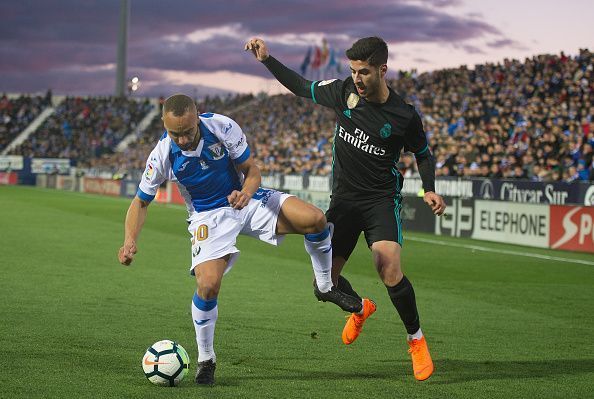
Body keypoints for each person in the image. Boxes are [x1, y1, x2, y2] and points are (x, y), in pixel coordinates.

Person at [117, 94, 360, 386]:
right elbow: (141, 202)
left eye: (188, 132)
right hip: (208, 217)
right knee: (207, 285)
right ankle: (206, 359)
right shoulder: (163, 154)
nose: (182, 140)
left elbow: (252, 170)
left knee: (316, 219)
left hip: (246, 199)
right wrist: (130, 240)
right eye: (174, 134)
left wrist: (245, 192)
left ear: (198, 117)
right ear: (164, 125)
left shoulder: (221, 126)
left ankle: (324, 285)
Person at [246, 36, 446, 381]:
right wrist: (268, 59)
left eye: (364, 72)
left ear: (383, 70)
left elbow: (423, 153)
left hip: (380, 201)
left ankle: (416, 340)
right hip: (343, 203)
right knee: (324, 286)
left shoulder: (403, 115)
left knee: (389, 269)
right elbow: (300, 85)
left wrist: (429, 188)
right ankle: (359, 307)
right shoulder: (342, 93)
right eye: (353, 71)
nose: (357, 78)